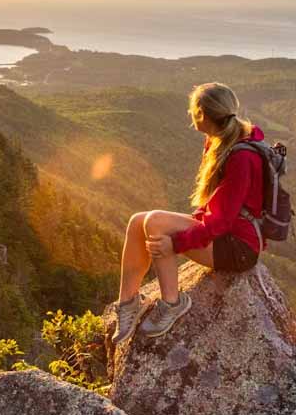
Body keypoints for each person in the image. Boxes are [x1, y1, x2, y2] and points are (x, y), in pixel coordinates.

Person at [112, 82, 266, 342]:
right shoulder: (219, 141)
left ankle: (173, 304)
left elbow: (221, 222)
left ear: (202, 114)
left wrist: (176, 243)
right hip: (225, 235)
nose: (189, 113)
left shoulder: (241, 157)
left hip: (239, 249)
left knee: (156, 223)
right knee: (137, 221)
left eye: (191, 109)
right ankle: (128, 303)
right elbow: (215, 207)